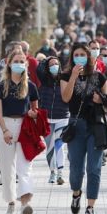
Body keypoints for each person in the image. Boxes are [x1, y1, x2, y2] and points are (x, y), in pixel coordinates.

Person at [60, 43, 107, 214]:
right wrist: (74, 76)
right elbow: (66, 97)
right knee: (76, 168)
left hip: (96, 126)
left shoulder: (100, 77)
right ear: (72, 57)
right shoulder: (66, 75)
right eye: (76, 54)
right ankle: (76, 193)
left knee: (94, 168)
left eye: (83, 54)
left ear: (89, 56)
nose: (80, 57)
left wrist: (102, 100)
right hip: (76, 125)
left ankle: (90, 207)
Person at [0, 51, 40, 214]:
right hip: (6, 125)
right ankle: (11, 203)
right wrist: (5, 130)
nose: (19, 64)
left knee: (25, 167)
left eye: (22, 61)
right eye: (16, 61)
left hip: (24, 126)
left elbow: (36, 109)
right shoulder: (1, 86)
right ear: (9, 63)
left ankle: (25, 204)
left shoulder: (31, 86)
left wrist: (33, 114)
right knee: (7, 170)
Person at [37, 56, 69, 184]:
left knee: (59, 146)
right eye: (51, 64)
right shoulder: (45, 80)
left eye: (56, 63)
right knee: (49, 147)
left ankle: (60, 173)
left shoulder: (64, 78)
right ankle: (52, 173)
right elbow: (38, 69)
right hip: (47, 118)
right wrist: (47, 59)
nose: (54, 66)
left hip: (62, 117)